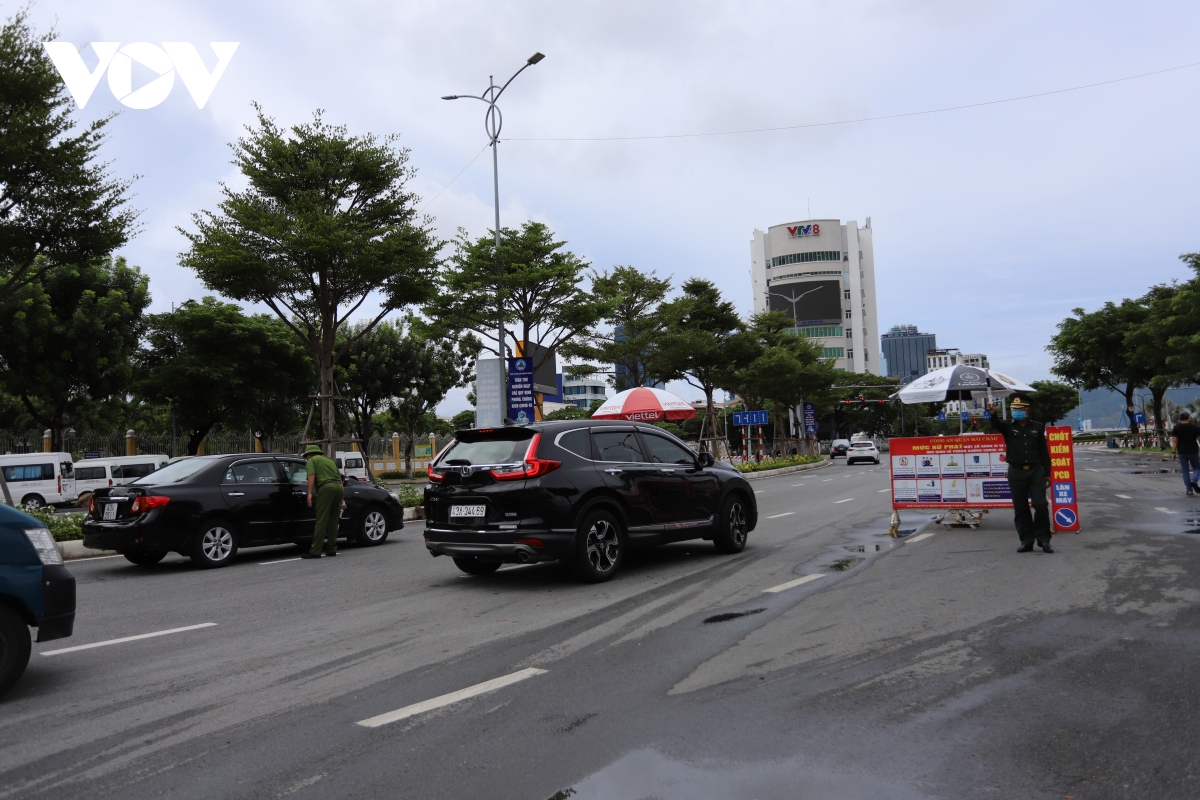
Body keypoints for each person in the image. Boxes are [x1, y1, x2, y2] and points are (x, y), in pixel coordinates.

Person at [987, 397, 1053, 553]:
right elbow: (996, 424)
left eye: (1020, 410)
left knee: (1040, 504)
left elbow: (1043, 452)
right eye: (1014, 410)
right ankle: (1026, 541)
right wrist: (993, 414)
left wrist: (1047, 473)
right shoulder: (1008, 427)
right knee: (1021, 508)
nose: (1016, 412)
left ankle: (1044, 540)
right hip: (1016, 471)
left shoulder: (1037, 428)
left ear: (1027, 411)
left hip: (1036, 471)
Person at [301, 444, 344, 559]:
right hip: (338, 488)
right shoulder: (330, 461)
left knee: (321, 520)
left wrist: (309, 493)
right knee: (333, 520)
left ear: (309, 455)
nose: (307, 459)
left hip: (326, 488)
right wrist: (342, 499)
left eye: (306, 457)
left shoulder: (312, 461)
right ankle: (331, 549)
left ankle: (315, 551)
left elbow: (311, 476)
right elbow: (340, 480)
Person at [1170, 411, 1200, 496]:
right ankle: (1194, 480)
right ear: (1188, 418)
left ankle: (1189, 490)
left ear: (1179, 418)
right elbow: (1199, 438)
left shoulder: (1176, 428)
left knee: (1185, 470)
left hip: (1182, 452)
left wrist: (1173, 453)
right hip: (1193, 451)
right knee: (1197, 467)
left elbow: (1175, 441)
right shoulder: (1194, 427)